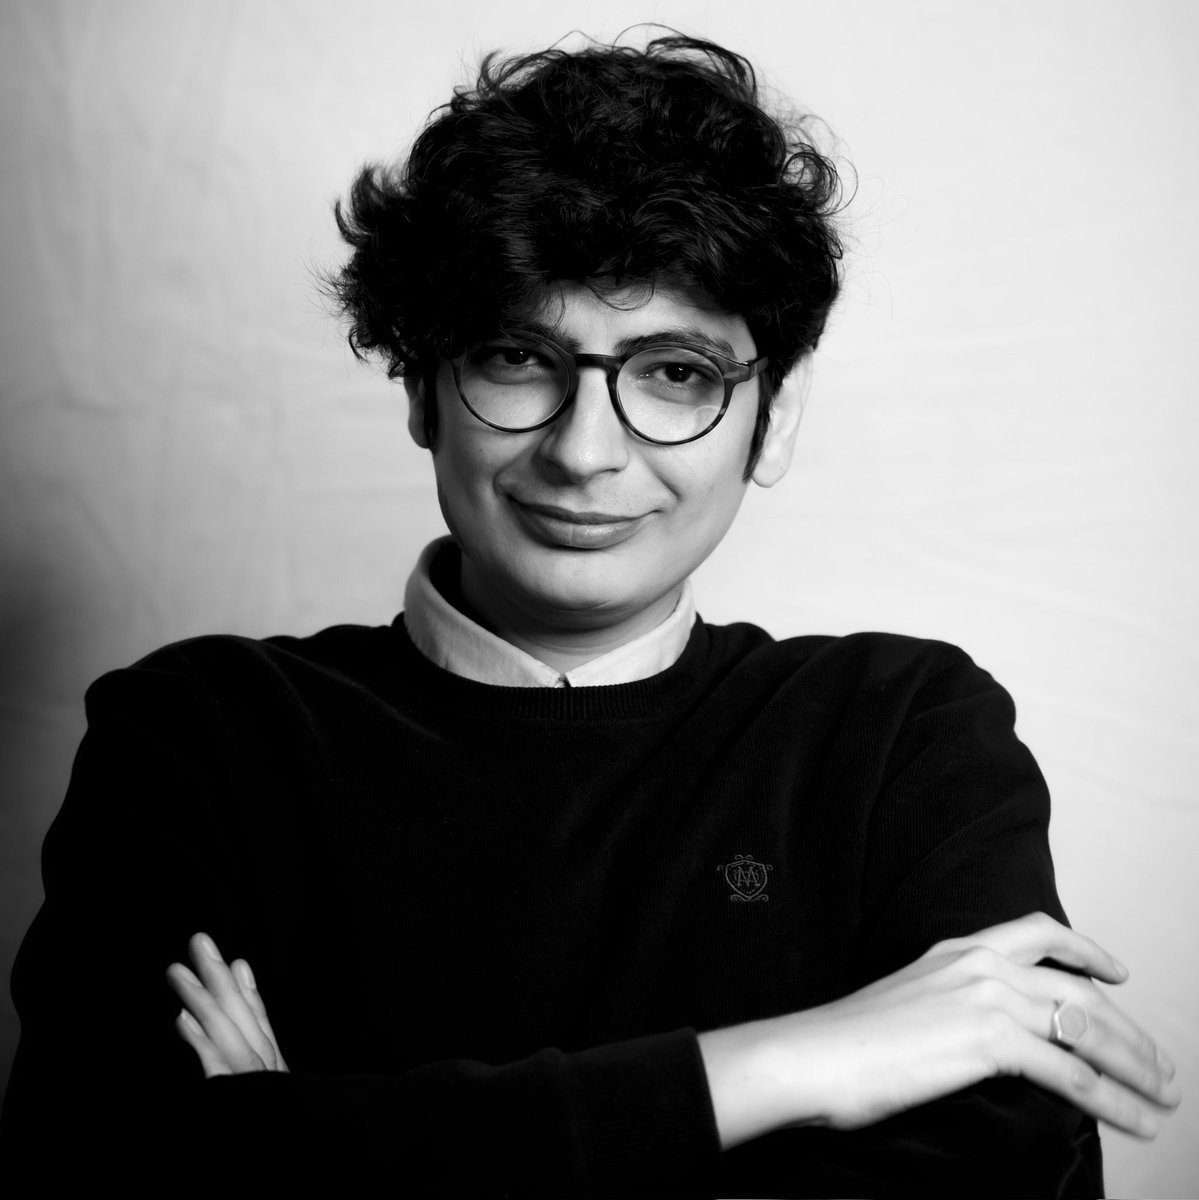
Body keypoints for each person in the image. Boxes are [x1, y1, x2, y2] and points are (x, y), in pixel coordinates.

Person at [2, 32, 1179, 1196]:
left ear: (771, 416)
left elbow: (991, 1177)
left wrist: (296, 1144)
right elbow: (99, 1171)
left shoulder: (899, 737)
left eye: (675, 373)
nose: (583, 452)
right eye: (517, 357)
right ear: (420, 387)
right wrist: (789, 1063)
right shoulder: (202, 737)